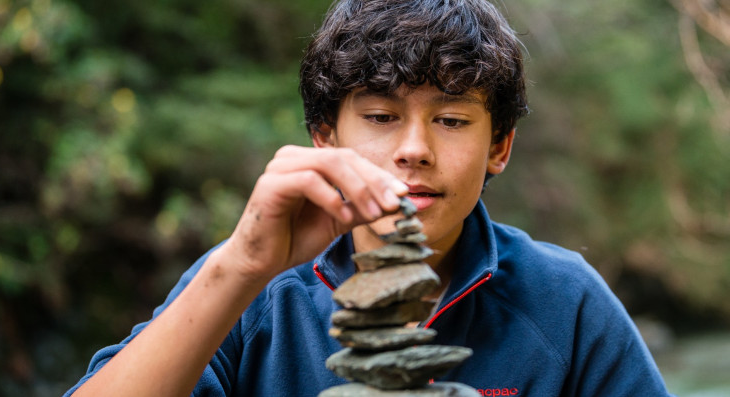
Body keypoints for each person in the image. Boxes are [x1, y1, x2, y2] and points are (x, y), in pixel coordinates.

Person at [66, 0, 673, 396]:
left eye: (453, 121)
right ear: (324, 137)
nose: (414, 149)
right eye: (381, 116)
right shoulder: (249, 292)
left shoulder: (564, 300)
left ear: (501, 146)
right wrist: (242, 264)